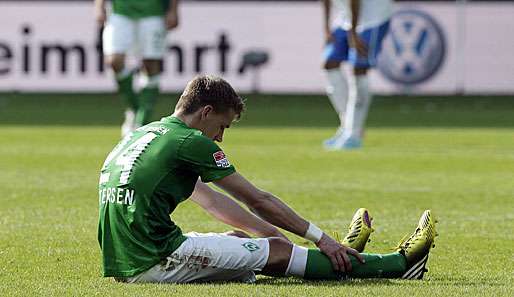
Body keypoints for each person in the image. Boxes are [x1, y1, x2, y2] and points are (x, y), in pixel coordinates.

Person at [98, 75, 437, 283]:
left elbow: (212, 201)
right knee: (274, 252)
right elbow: (258, 200)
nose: (220, 137)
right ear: (206, 113)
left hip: (126, 258)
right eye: (223, 126)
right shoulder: (192, 142)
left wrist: (273, 237)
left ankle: (337, 258)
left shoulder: (145, 135)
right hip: (154, 260)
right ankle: (399, 263)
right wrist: (318, 238)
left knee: (241, 239)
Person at [94, 0, 179, 137]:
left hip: (153, 12)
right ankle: (134, 108)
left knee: (150, 64)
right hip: (120, 12)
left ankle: (142, 119)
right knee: (114, 61)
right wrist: (99, 6)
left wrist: (173, 10)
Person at [321, 0, 393, 149]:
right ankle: (348, 126)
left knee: (358, 69)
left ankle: (353, 135)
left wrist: (353, 34)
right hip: (345, 18)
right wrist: (326, 27)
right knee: (329, 63)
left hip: (373, 18)